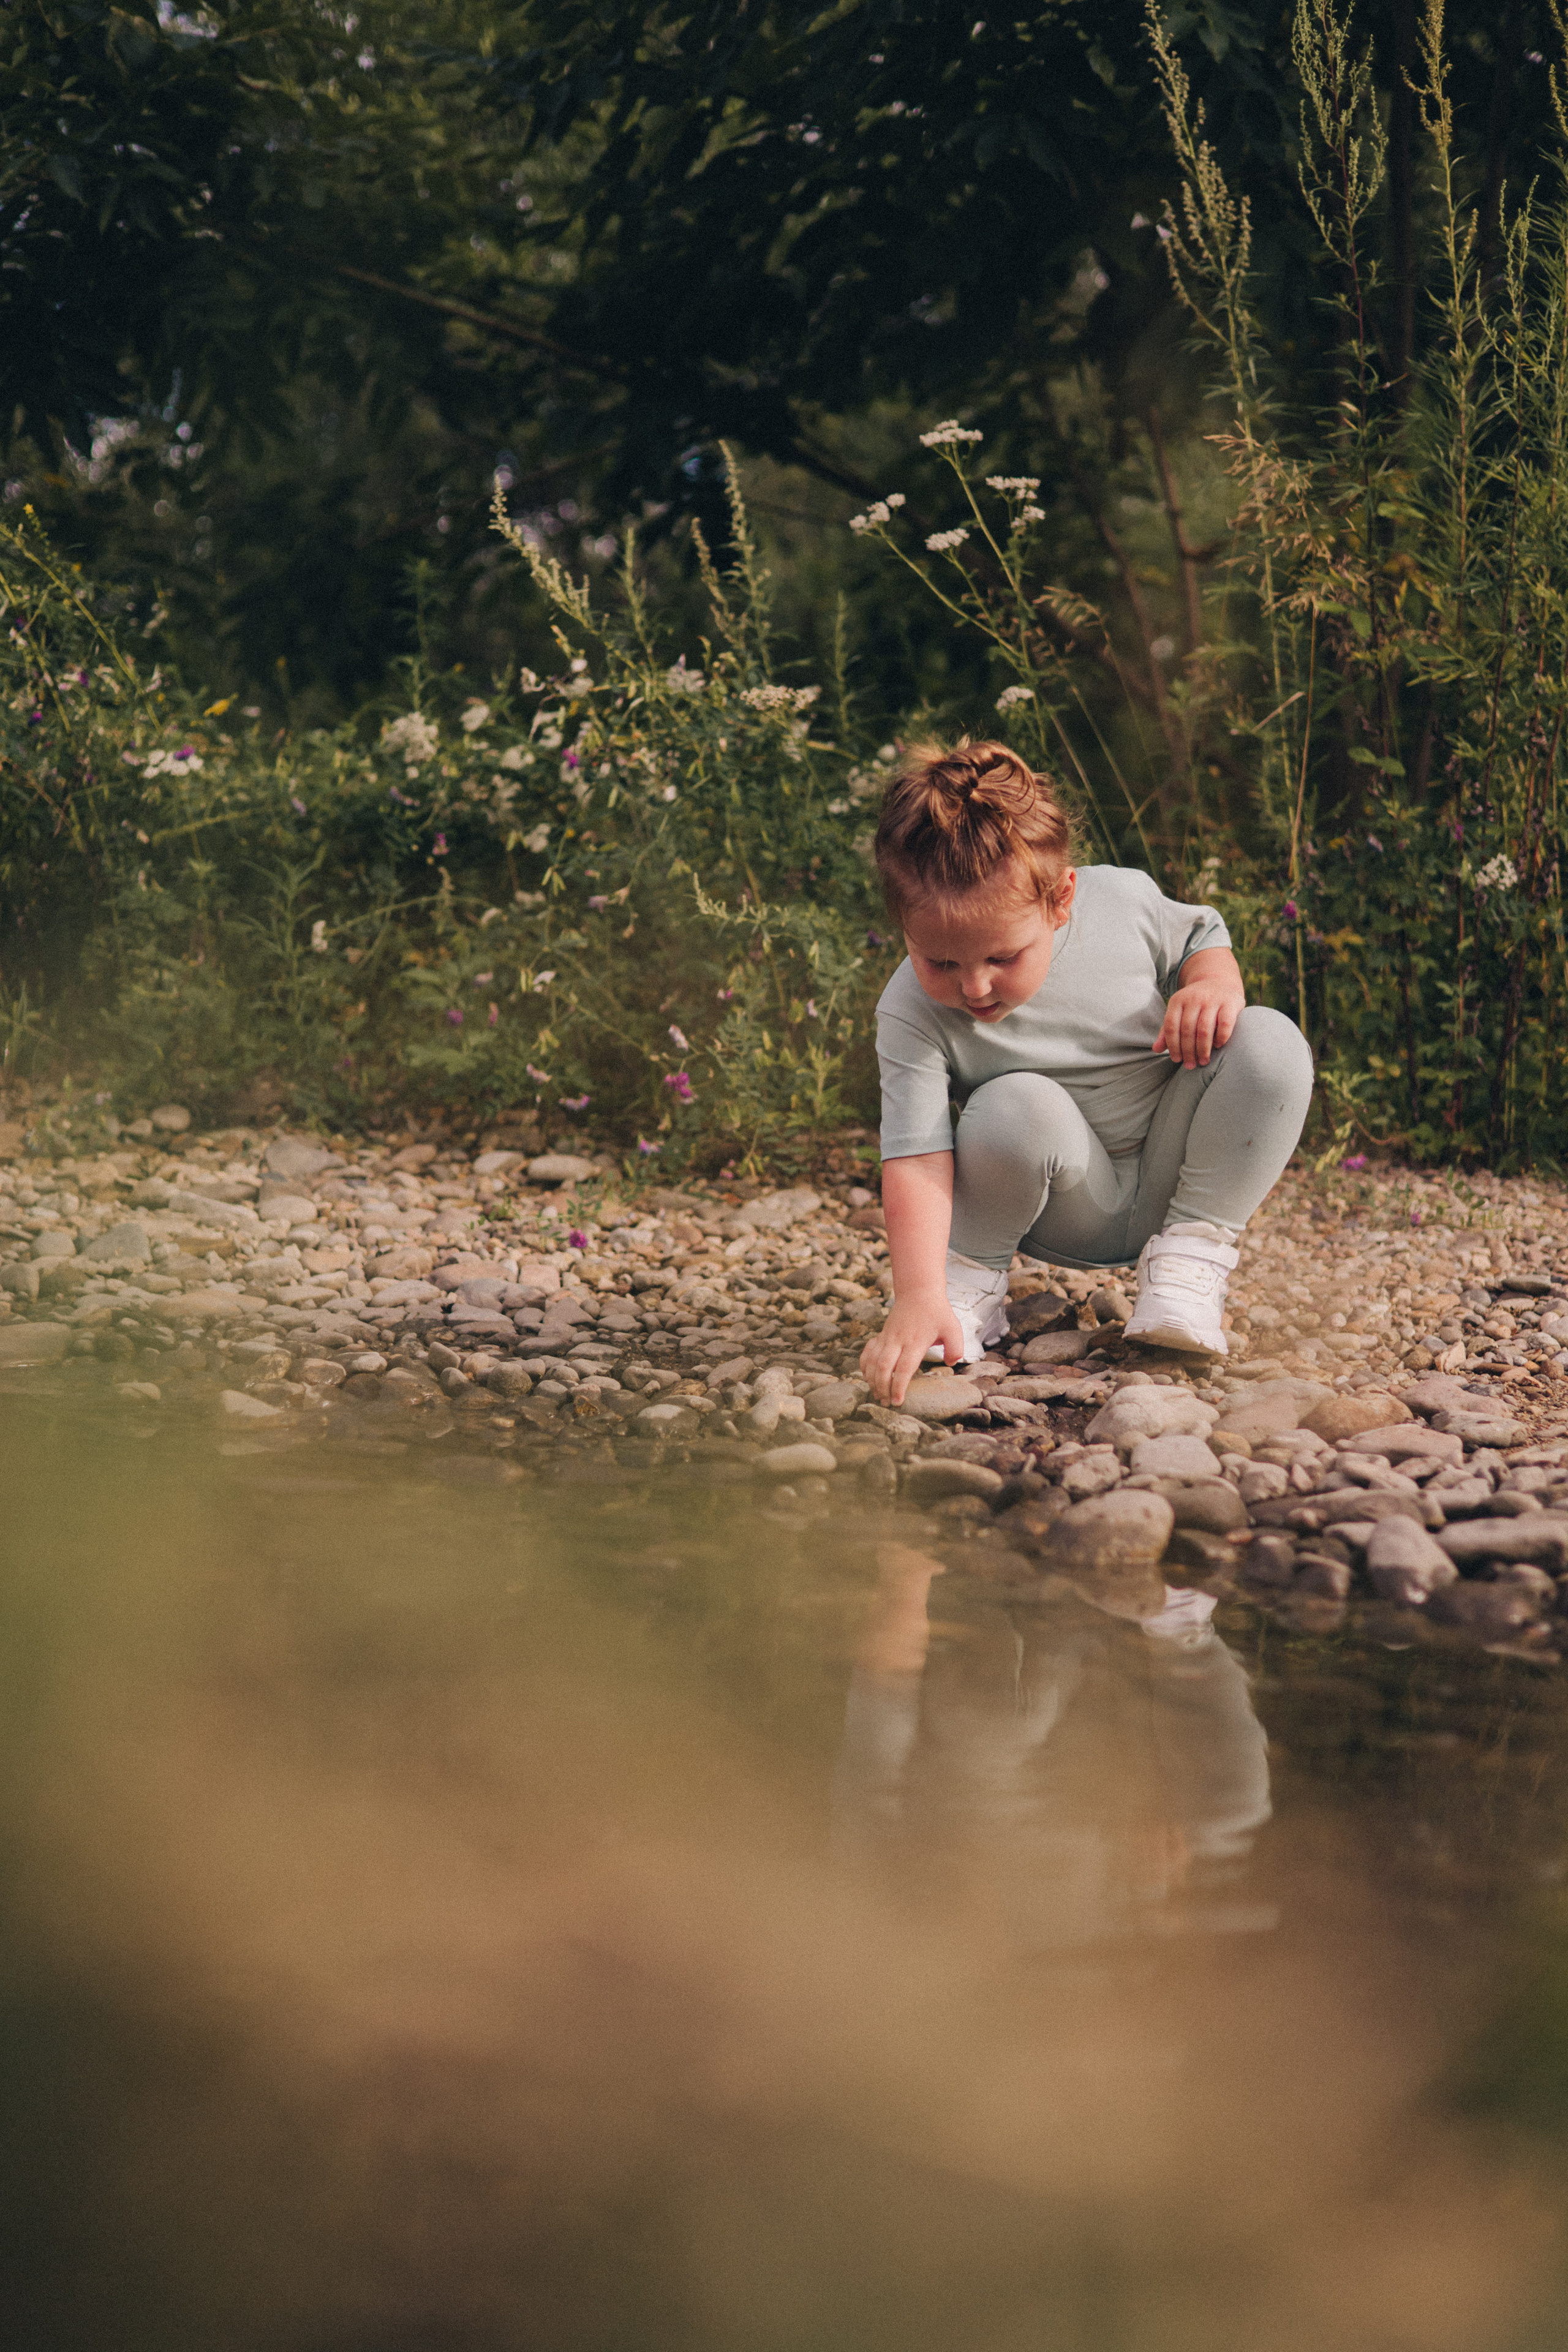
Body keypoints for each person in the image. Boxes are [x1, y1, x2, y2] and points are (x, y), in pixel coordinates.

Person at [860, 739, 1314, 1406]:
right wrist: (916, 1293)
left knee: (1269, 1040)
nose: (975, 986)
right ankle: (966, 1285)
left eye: (1001, 956)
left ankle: (1189, 1264)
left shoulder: (1122, 902)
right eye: (941, 963)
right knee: (1016, 1101)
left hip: (1176, 1172)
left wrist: (1211, 983)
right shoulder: (907, 1010)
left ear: (1060, 901)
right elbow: (917, 1156)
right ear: (902, 928)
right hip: (1055, 1200)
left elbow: (1200, 933)